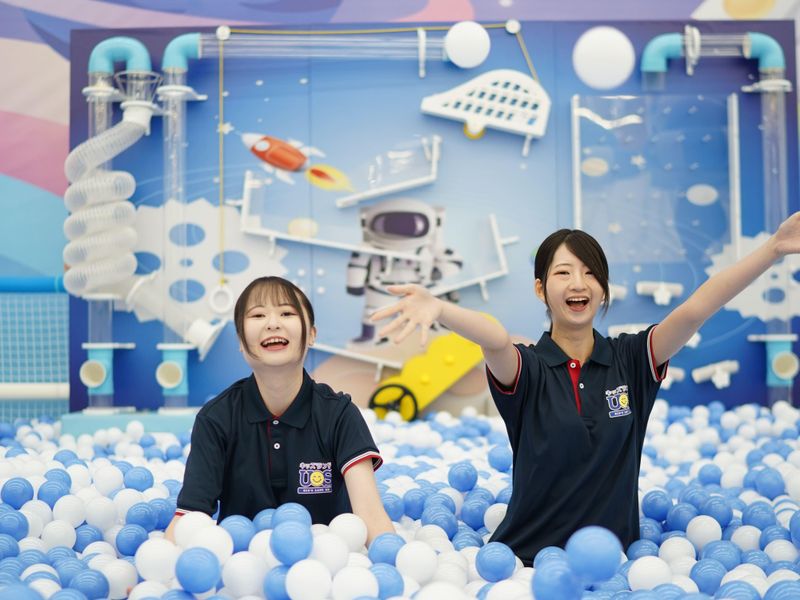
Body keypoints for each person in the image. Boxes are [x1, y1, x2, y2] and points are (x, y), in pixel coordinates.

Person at [370, 213, 800, 565]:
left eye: (591, 273)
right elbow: (495, 339)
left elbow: (695, 310)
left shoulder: (632, 359)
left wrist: (774, 248)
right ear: (541, 289)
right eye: (564, 272)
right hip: (526, 562)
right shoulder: (530, 369)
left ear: (603, 289)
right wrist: (440, 308)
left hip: (620, 564)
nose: (579, 283)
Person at [167, 276, 394, 544]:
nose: (272, 323)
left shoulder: (339, 415)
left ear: (311, 334)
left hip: (328, 561)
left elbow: (370, 516)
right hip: (241, 563)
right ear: (240, 340)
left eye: (287, 313)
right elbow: (189, 520)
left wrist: (392, 560)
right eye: (258, 315)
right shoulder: (216, 418)